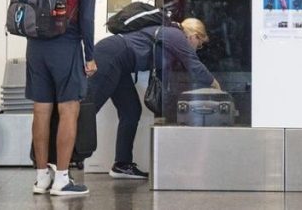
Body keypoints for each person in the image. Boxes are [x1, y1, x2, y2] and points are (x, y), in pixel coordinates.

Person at [86, 17, 219, 180]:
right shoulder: (176, 35)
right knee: (87, 110)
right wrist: (215, 85)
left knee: (131, 111)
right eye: (200, 44)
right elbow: (194, 64)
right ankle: (61, 164)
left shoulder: (170, 36)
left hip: (120, 63)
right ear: (194, 36)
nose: (198, 48)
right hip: (111, 55)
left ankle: (122, 164)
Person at [27, 0, 97, 197]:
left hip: (35, 45)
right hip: (65, 44)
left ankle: (41, 177)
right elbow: (87, 17)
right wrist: (89, 56)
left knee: (41, 110)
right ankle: (63, 179)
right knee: (69, 109)